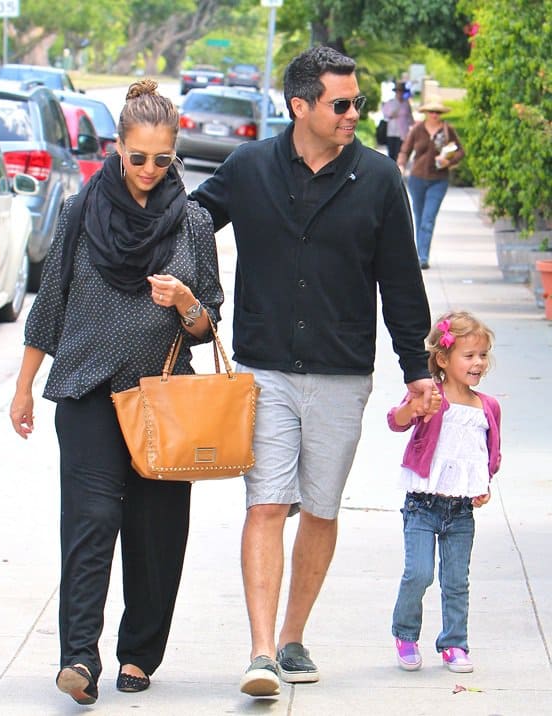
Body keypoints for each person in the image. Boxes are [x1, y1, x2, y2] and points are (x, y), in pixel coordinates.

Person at [190, 45, 434, 698]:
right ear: (300, 106)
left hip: (341, 373)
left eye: (358, 101)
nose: (357, 112)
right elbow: (187, 223)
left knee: (321, 508)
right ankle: (262, 650)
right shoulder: (248, 169)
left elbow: (402, 285)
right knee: (265, 502)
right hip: (265, 368)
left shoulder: (379, 180)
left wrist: (419, 369)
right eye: (342, 103)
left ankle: (294, 636)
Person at [9, 79, 223, 706]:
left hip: (162, 399)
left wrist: (186, 302)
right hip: (85, 391)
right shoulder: (80, 210)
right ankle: (79, 657)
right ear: (118, 149)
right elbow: (50, 306)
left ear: (175, 154)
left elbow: (210, 324)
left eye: (164, 159)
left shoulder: (193, 221)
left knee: (156, 533)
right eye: (139, 158)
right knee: (91, 522)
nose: (150, 170)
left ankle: (139, 653)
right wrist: (24, 386)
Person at [388, 311, 501, 674]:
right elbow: (396, 421)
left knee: (456, 580)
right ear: (443, 358)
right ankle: (405, 634)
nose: (478, 363)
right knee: (418, 573)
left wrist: (484, 483)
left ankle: (454, 643)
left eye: (482, 355)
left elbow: (488, 452)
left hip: (461, 509)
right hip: (422, 504)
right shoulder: (431, 398)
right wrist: (413, 407)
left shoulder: (487, 407)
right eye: (469, 356)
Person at [396, 96, 465, 269]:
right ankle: (418, 254)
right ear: (426, 113)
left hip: (438, 180)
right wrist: (401, 165)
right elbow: (405, 149)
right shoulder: (417, 130)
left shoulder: (447, 130)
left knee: (428, 218)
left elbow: (460, 152)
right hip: (417, 179)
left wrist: (449, 161)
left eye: (438, 112)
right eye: (431, 111)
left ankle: (423, 257)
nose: (434, 114)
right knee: (418, 218)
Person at [381, 81, 414, 161]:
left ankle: (398, 171)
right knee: (391, 154)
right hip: (392, 132)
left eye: (401, 91)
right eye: (398, 91)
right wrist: (393, 113)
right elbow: (386, 115)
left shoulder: (406, 104)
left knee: (399, 154)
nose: (400, 93)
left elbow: (410, 117)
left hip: (403, 133)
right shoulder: (390, 102)